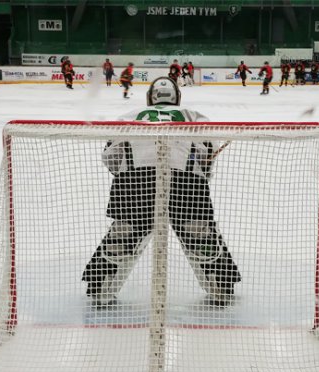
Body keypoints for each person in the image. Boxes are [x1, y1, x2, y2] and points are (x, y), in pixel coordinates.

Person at [82, 76, 241, 308]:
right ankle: (221, 290)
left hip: (134, 182)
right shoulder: (193, 115)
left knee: (123, 234)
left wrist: (124, 174)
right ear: (177, 96)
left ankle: (100, 290)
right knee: (200, 234)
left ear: (150, 97)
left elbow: (110, 155)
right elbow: (208, 152)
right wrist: (202, 174)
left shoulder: (129, 116)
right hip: (186, 182)